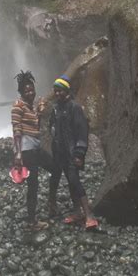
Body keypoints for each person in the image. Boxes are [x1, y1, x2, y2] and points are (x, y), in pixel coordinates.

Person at [11, 70, 60, 231]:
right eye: (26, 90)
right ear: (21, 92)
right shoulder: (18, 107)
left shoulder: (31, 107)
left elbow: (36, 128)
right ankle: (31, 222)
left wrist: (39, 112)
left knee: (56, 168)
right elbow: (17, 130)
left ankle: (51, 202)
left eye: (31, 89)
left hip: (36, 149)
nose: (30, 92)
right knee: (33, 185)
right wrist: (18, 155)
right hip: (26, 152)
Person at [49, 74, 99, 230]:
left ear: (67, 91)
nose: (57, 94)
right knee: (71, 182)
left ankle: (89, 214)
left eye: (60, 90)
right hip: (60, 153)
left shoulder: (74, 107)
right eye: (56, 90)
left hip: (72, 153)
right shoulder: (56, 108)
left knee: (75, 180)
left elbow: (82, 131)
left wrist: (79, 153)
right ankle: (77, 212)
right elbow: (52, 128)